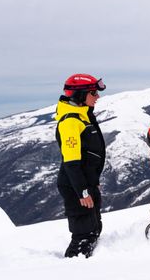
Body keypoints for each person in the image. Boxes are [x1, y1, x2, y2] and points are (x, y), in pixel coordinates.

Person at [55, 73, 107, 258]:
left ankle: (90, 268)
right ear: (80, 95)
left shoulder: (84, 115)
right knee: (84, 233)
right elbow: (72, 163)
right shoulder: (70, 122)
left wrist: (93, 181)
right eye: (93, 93)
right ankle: (73, 269)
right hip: (75, 186)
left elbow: (88, 155)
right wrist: (83, 191)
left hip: (86, 182)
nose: (97, 97)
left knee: (94, 228)